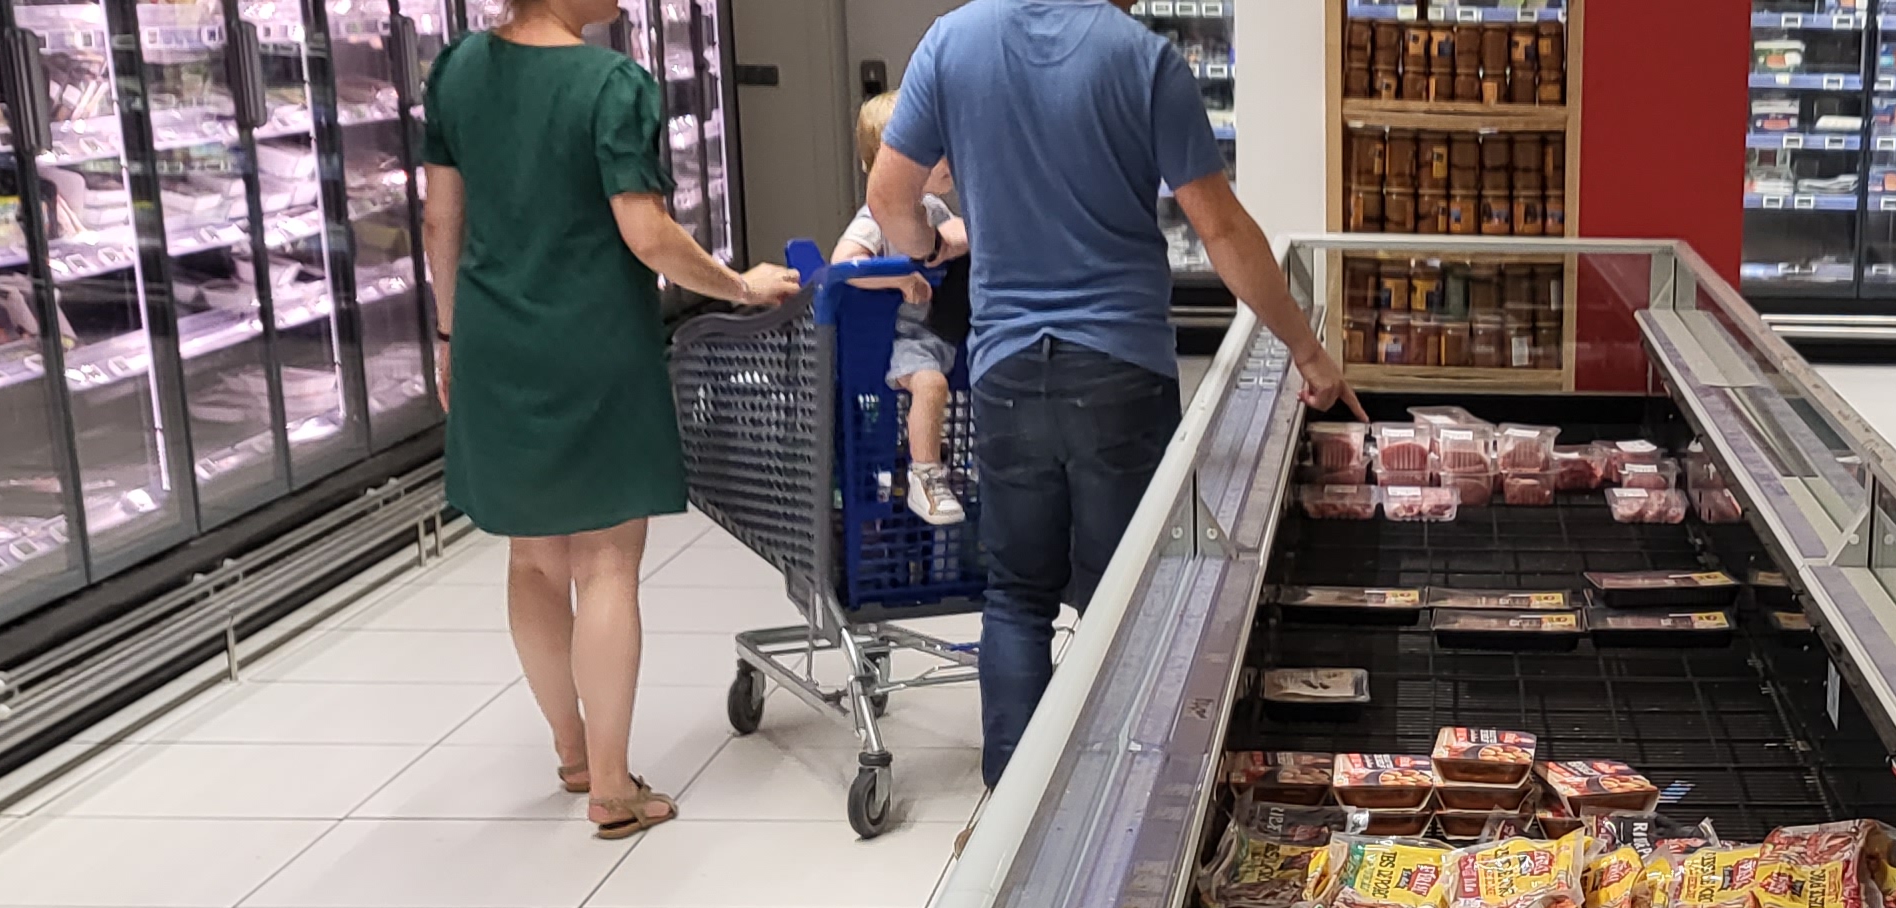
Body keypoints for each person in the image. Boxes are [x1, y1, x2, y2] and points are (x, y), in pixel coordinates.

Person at [864, 0, 1359, 788]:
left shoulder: (952, 41)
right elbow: (1223, 229)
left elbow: (890, 196)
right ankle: (1112, 800)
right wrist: (1307, 351)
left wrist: (925, 249)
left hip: (1006, 369)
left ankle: (1010, 807)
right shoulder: (1141, 58)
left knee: (1016, 595)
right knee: (1122, 597)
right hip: (1121, 369)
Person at [422, 0, 798, 838]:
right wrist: (740, 285)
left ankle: (571, 750)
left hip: (493, 339)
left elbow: (440, 219)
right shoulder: (612, 84)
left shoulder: (457, 70)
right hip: (592, 341)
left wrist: (449, 334)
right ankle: (614, 784)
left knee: (532, 559)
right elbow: (646, 233)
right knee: (606, 561)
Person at [835, 94, 971, 527]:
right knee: (930, 384)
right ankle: (925, 477)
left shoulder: (934, 209)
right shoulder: (875, 219)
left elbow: (958, 237)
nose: (947, 157)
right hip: (895, 340)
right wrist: (898, 279)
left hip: (938, 333)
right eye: (932, 149)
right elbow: (844, 264)